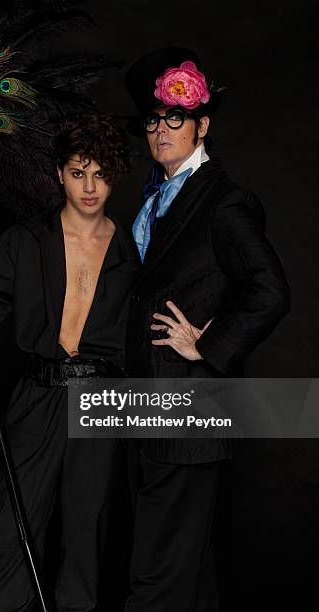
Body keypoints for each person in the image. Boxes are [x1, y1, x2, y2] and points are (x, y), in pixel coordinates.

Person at [0, 114, 137, 612]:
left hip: (102, 400)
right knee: (17, 524)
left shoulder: (136, 249)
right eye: (77, 171)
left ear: (115, 176)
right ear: (58, 174)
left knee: (87, 529)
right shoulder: (25, 241)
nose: (89, 186)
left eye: (100, 173)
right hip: (37, 394)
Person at [124, 47, 290, 611]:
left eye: (175, 118)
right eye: (152, 120)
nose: (160, 130)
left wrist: (208, 345)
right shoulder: (154, 197)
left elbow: (268, 291)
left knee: (157, 569)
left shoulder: (223, 202)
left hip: (187, 410)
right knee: (187, 573)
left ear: (202, 125)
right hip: (147, 408)